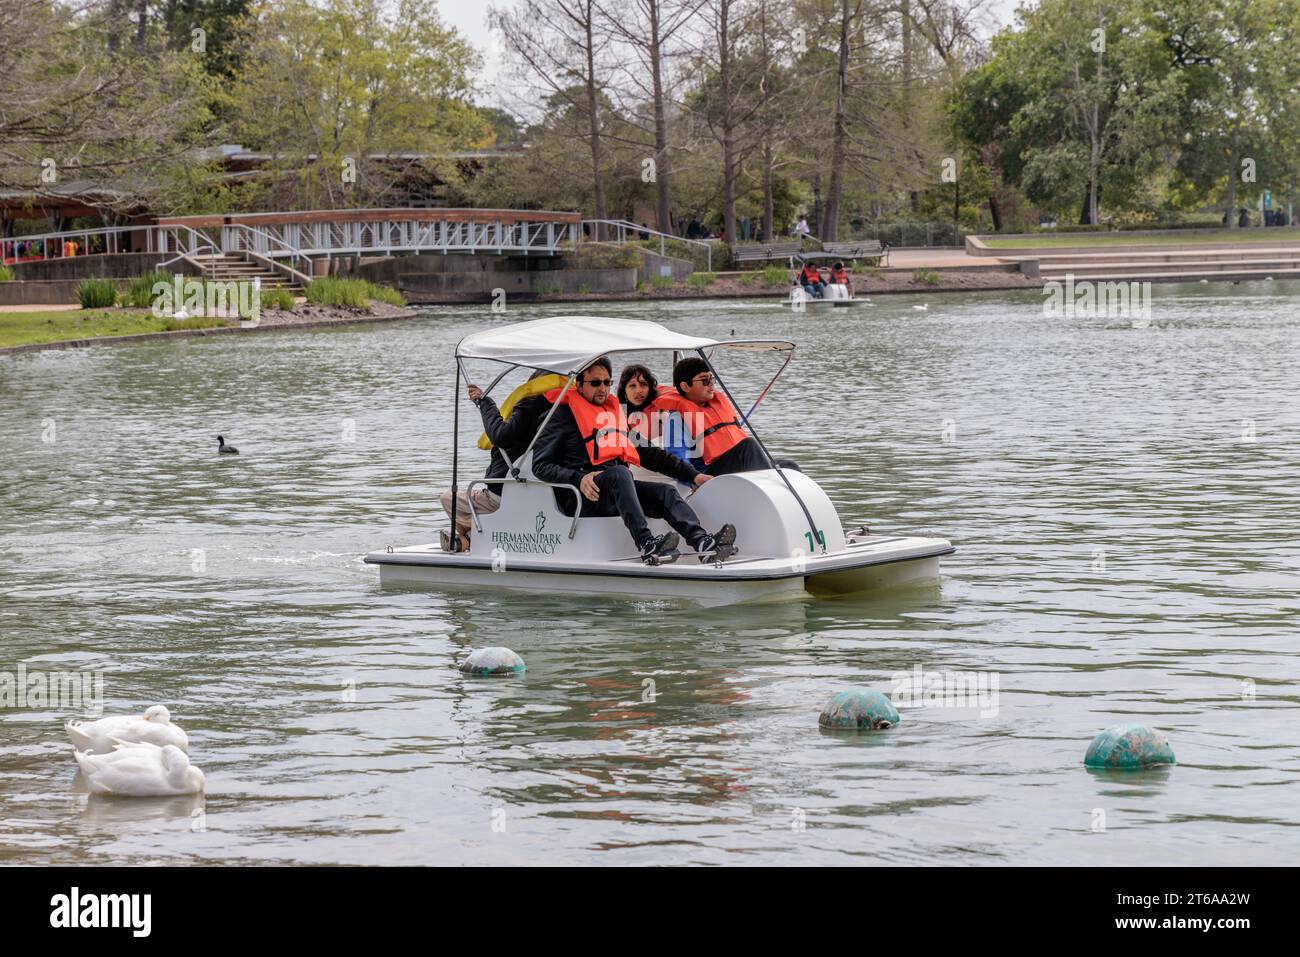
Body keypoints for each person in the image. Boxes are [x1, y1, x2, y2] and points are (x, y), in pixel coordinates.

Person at [532, 357, 737, 565]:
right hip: (581, 496)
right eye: (595, 383)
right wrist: (579, 478)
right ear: (579, 384)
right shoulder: (559, 415)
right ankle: (647, 545)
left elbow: (650, 454)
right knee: (621, 474)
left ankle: (703, 544)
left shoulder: (612, 414)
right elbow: (540, 465)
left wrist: (694, 475)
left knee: (665, 492)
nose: (602, 388)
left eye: (607, 382)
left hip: (616, 490)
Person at [439, 370, 559, 552]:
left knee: (448, 497)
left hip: (507, 493)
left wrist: (486, 403)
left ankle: (471, 538)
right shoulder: (564, 409)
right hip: (545, 493)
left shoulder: (530, 405)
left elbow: (500, 436)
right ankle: (466, 537)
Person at [653, 357, 800, 476]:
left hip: (734, 468)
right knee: (748, 446)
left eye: (712, 379)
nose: (711, 385)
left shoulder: (716, 408)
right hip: (709, 476)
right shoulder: (677, 419)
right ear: (686, 386)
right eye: (704, 380)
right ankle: (770, 494)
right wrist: (693, 480)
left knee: (789, 466)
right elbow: (677, 459)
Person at [618, 363, 690, 462]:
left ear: (650, 388)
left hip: (669, 460)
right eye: (632, 386)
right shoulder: (618, 415)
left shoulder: (663, 409)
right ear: (624, 391)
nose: (639, 390)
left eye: (644, 384)